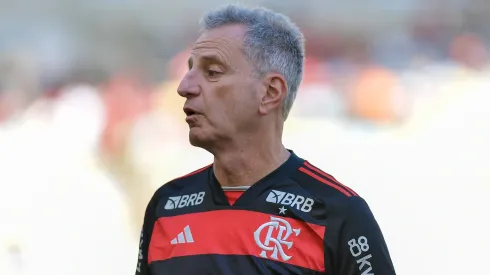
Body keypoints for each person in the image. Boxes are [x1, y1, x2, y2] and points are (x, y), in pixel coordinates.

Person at [136, 4, 396, 275]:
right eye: (190, 71)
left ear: (270, 93)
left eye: (212, 72)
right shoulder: (166, 206)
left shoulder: (338, 214)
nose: (184, 87)